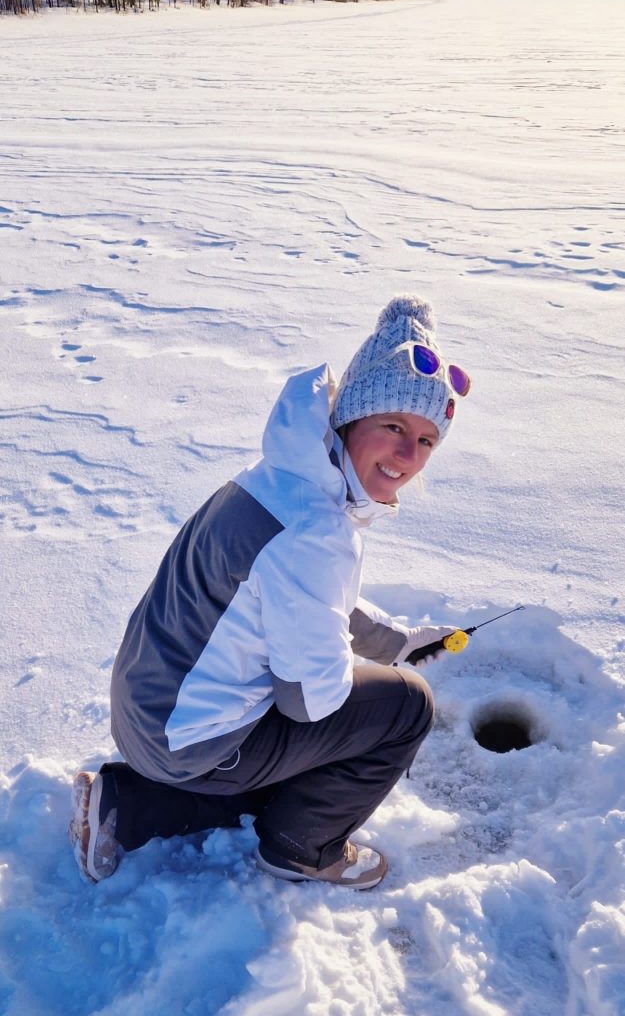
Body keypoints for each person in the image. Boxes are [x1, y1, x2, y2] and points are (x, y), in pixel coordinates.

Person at [69, 294, 471, 890]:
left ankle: (127, 807)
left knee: (316, 740)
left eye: (426, 440)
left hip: (150, 715)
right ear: (352, 418)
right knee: (406, 706)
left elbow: (301, 596)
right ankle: (301, 848)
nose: (408, 456)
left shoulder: (285, 477)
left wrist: (392, 641)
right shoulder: (316, 531)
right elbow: (310, 703)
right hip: (187, 740)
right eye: (393, 426)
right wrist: (374, 680)